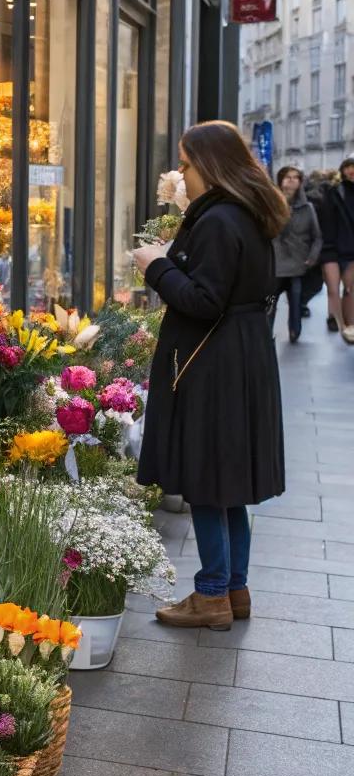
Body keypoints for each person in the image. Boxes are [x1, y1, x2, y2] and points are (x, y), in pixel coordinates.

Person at [133, 121, 287, 631]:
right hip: (240, 356)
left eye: (186, 162)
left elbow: (203, 299)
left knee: (205, 477)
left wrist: (155, 266)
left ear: (211, 166)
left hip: (214, 360)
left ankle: (211, 593)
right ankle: (233, 587)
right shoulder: (244, 213)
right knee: (229, 483)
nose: (181, 172)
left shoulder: (220, 219)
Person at [270, 166, 321, 342]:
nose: (291, 180)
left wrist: (312, 257)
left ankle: (294, 331)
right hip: (275, 263)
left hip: (298, 263)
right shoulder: (271, 205)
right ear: (280, 180)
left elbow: (317, 237)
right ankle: (267, 332)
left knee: (296, 300)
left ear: (300, 182)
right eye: (287, 177)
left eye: (295, 177)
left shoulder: (307, 208)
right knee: (270, 302)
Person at [317, 157, 354, 334]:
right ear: (342, 170)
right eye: (348, 167)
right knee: (333, 288)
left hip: (351, 249)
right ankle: (336, 321)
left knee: (349, 290)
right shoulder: (332, 191)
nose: (351, 171)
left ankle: (349, 326)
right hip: (329, 247)